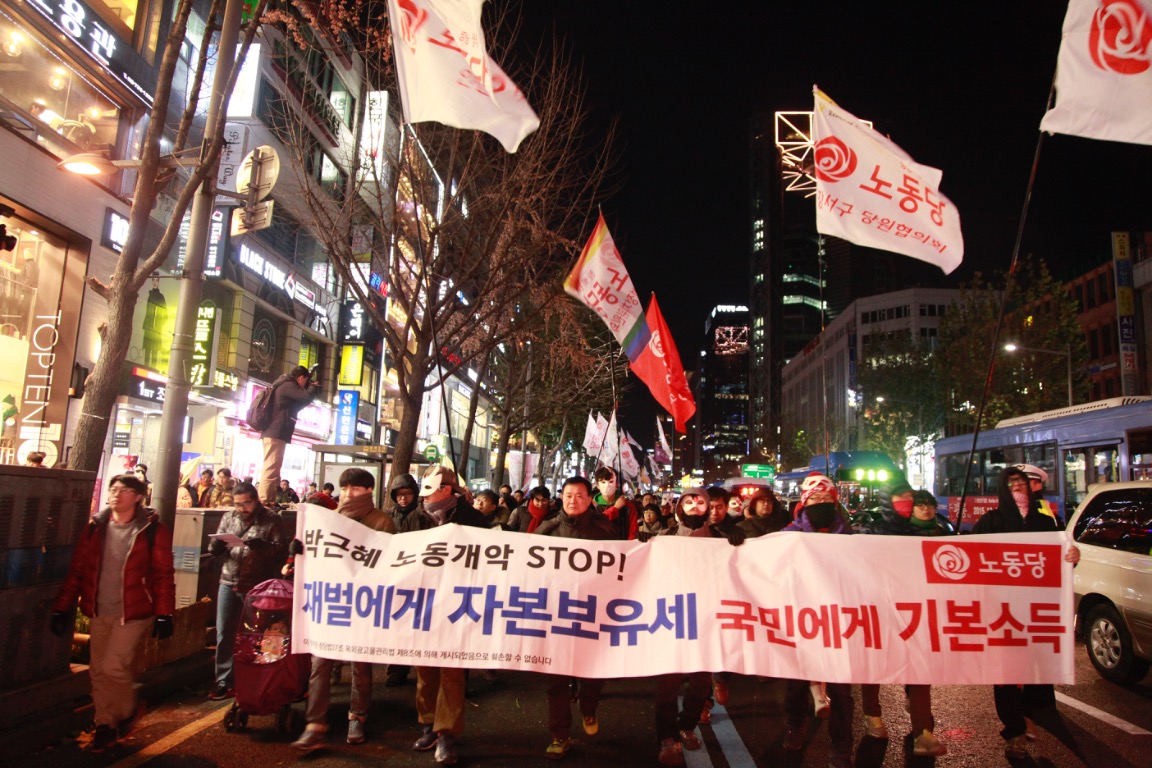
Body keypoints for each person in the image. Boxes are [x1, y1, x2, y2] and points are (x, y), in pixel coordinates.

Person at [49, 474, 174, 752]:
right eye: (113, 489)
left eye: (125, 490)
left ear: (138, 497)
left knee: (113, 667)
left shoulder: (152, 530)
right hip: (99, 608)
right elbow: (78, 569)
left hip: (133, 611)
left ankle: (128, 710)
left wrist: (165, 613)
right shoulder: (96, 527)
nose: (116, 494)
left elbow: (163, 574)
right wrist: (62, 606)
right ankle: (105, 724)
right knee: (97, 671)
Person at [972, 465, 1079, 760]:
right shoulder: (990, 521)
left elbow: (1061, 556)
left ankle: (1029, 716)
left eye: (1020, 481)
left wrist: (1073, 556)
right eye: (1010, 483)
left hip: (1036, 610)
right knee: (1006, 673)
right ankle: (1014, 731)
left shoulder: (1045, 521)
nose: (1016, 486)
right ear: (1001, 488)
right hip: (1002, 612)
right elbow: (972, 558)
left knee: (1035, 670)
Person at [293, 468, 398, 751]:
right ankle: (315, 724)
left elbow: (387, 563)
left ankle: (358, 716)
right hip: (333, 601)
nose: (348, 494)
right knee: (320, 664)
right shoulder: (330, 519)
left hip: (362, 603)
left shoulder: (382, 521)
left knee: (359, 665)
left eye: (355, 489)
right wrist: (299, 550)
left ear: (369, 490)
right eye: (345, 488)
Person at [402, 465, 490, 765]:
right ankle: (428, 723)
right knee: (425, 671)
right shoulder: (414, 518)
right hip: (421, 603)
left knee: (451, 673)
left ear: (447, 490)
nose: (425, 495)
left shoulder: (472, 519)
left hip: (457, 604)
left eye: (432, 488)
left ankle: (447, 732)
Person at [857, 478, 949, 757]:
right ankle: (872, 715)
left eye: (910, 497)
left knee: (919, 669)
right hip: (878, 609)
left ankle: (923, 732)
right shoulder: (871, 530)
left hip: (914, 610)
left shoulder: (919, 531)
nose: (907, 502)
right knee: (873, 666)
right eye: (901, 497)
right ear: (888, 500)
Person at [654, 486, 745, 766]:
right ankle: (667, 737)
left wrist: (740, 543)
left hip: (706, 624)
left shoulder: (720, 539)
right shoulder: (665, 537)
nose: (695, 506)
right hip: (670, 621)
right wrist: (643, 544)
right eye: (689, 502)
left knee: (700, 685)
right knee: (667, 687)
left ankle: (686, 726)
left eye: (700, 502)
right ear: (680, 508)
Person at [536, 476, 617, 760]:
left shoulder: (605, 531)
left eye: (580, 496)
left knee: (592, 674)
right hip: (555, 614)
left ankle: (588, 708)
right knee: (555, 679)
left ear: (589, 499)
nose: (573, 501)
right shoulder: (546, 531)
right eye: (569, 495)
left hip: (593, 613)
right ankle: (559, 734)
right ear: (561, 497)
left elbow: (622, 565)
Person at [780, 473, 855, 768]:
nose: (822, 503)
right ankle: (795, 725)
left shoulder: (850, 537)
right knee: (796, 683)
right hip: (801, 619)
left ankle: (842, 746)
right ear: (804, 503)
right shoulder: (788, 536)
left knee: (841, 689)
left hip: (839, 620)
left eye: (827, 499)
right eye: (815, 499)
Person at [207, 481, 288, 701]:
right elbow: (215, 546)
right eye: (237, 504)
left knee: (257, 633)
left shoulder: (272, 519)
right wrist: (216, 547)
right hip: (228, 580)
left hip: (257, 584)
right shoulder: (229, 518)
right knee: (224, 632)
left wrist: (263, 547)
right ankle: (224, 680)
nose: (241, 508)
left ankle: (256, 678)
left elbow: (282, 551)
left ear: (255, 500)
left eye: (245, 503)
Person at [258, 365, 320, 506]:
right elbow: (305, 397)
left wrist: (311, 389)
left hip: (275, 432)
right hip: (275, 432)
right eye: (306, 381)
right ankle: (265, 500)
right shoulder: (288, 385)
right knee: (271, 467)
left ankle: (269, 499)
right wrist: (312, 388)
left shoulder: (284, 385)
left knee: (274, 468)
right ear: (301, 377)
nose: (305, 384)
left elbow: (298, 405)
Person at [592, 466, 638, 540]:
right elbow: (594, 525)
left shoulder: (628, 506)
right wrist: (615, 509)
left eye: (611, 481)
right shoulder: (592, 505)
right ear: (597, 485)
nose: (607, 485)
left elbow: (633, 531)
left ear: (616, 484)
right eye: (603, 482)